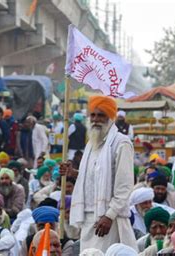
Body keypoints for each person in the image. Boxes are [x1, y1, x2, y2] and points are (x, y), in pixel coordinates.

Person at [70, 95, 137, 252]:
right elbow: (94, 178)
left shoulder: (121, 143)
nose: (96, 119)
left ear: (111, 117)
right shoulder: (91, 144)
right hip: (88, 220)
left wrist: (109, 216)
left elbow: (125, 186)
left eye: (101, 115)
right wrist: (74, 173)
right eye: (93, 115)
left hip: (108, 221)